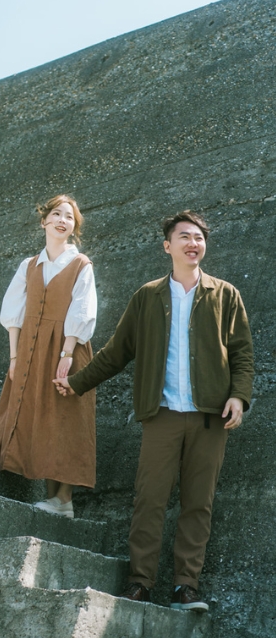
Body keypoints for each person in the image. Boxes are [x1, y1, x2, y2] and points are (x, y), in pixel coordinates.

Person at [55, 210, 252, 612]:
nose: (193, 243)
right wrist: (75, 383)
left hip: (210, 417)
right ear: (168, 246)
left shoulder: (225, 294)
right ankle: (141, 582)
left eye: (198, 238)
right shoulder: (148, 296)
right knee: (150, 500)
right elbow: (116, 352)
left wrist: (239, 395)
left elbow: (242, 354)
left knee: (199, 503)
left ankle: (185, 587)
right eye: (184, 237)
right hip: (161, 414)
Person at [0, 195, 98, 519]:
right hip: (31, 350)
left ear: (74, 227)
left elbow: (83, 309)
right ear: (44, 221)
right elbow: (14, 314)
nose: (63, 220)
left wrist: (67, 352)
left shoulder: (80, 264)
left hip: (67, 349)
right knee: (39, 414)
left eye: (70, 217)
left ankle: (64, 500)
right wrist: (14, 358)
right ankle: (51, 499)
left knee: (64, 417)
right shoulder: (29, 266)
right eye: (57, 214)